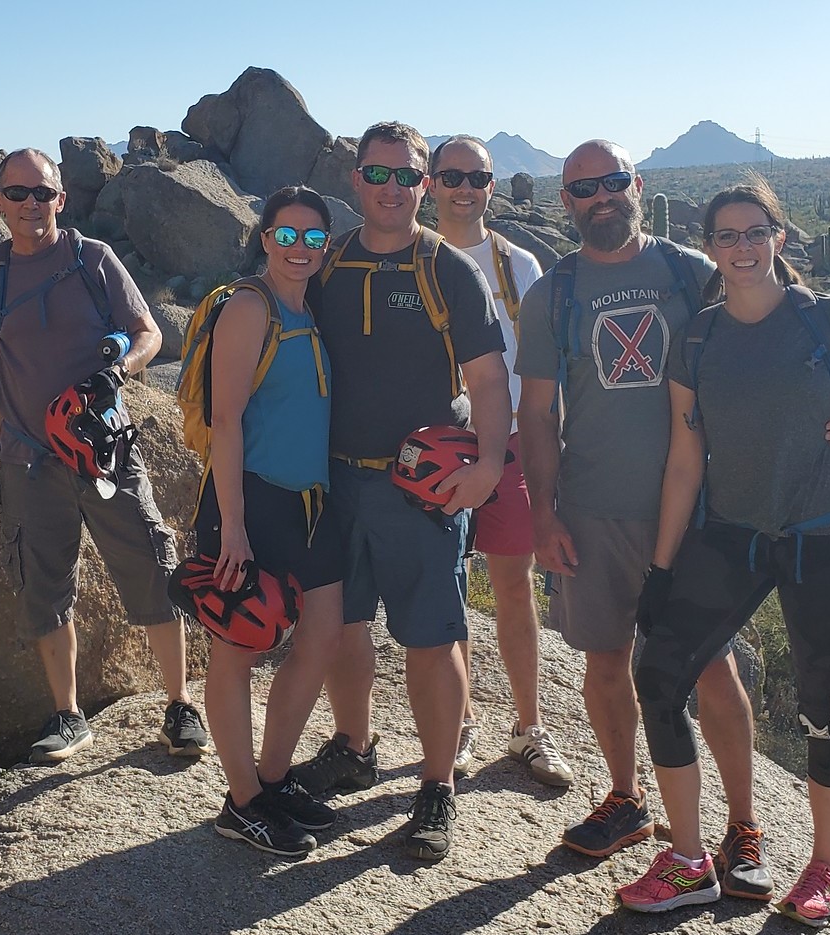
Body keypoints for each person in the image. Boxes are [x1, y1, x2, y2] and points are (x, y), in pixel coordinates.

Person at [516, 140, 830, 889]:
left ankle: (742, 826)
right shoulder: (553, 291)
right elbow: (535, 413)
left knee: (710, 670)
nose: (599, 196)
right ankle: (627, 798)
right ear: (563, 198)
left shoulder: (687, 269)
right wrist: (542, 512)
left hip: (702, 510)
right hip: (594, 504)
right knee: (606, 662)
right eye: (581, 187)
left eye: (611, 181)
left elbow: (778, 330)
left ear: (636, 185)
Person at [617, 176, 830, 927]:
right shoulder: (700, 337)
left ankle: (823, 868)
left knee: (823, 707)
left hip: (825, 537)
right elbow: (684, 461)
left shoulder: (828, 321)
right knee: (658, 675)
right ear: (708, 247)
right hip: (731, 533)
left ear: (779, 237)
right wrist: (661, 565)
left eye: (754, 232)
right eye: (725, 236)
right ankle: (686, 861)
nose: (740, 248)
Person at [292, 122, 510, 862]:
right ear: (353, 179)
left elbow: (486, 381)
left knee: (429, 634)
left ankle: (437, 784)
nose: (390, 189)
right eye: (376, 175)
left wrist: (485, 468)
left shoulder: (446, 269)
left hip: (417, 485)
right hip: (333, 478)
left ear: (424, 183)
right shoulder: (325, 264)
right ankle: (353, 746)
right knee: (343, 624)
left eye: (405, 176)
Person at [0, 148, 208, 766]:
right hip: (27, 458)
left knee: (151, 564)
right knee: (43, 588)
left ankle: (179, 704)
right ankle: (68, 717)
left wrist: (117, 367)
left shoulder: (92, 259)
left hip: (104, 450)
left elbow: (150, 332)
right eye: (16, 193)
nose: (29, 205)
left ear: (60, 199)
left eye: (41, 193)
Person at [196, 186, 346, 858]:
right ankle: (242, 801)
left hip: (307, 505)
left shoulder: (303, 308)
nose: (299, 248)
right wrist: (232, 526)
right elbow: (224, 419)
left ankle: (274, 775)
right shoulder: (249, 305)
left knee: (320, 636)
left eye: (314, 238)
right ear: (264, 237)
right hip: (247, 500)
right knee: (235, 652)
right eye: (287, 234)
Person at [427, 135, 572, 788]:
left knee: (513, 586)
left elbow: (542, 372)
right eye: (450, 175)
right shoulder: (407, 261)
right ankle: (456, 721)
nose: (464, 187)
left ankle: (526, 724)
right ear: (429, 183)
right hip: (431, 451)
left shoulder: (519, 267)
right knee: (444, 589)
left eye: (476, 177)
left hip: (508, 446)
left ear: (491, 186)